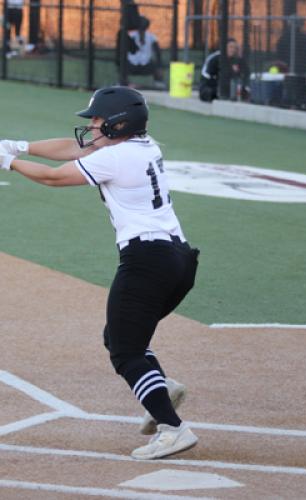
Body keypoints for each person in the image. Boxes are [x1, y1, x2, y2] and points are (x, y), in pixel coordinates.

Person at [0, 86, 200, 460]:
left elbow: (53, 177)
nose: (91, 125)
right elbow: (73, 149)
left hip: (147, 259)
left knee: (124, 350)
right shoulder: (142, 146)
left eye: (96, 119)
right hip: (178, 260)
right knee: (122, 337)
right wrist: (17, 145)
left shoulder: (118, 157)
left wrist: (8, 162)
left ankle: (173, 428)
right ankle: (161, 388)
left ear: (118, 122)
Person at [116, 15, 166, 89]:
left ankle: (159, 84)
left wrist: (159, 66)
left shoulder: (151, 37)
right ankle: (122, 83)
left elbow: (157, 52)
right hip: (131, 64)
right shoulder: (131, 35)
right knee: (123, 65)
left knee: (156, 67)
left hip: (146, 65)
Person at [199, 38, 250, 102]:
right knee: (208, 93)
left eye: (235, 48)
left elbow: (245, 74)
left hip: (229, 88)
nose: (233, 50)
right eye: (230, 47)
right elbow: (206, 79)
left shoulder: (237, 60)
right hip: (212, 86)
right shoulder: (214, 59)